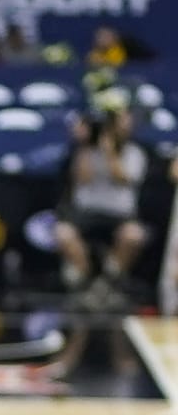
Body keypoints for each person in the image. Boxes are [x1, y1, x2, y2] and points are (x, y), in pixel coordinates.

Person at [57, 106, 148, 303]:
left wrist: (109, 151)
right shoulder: (85, 151)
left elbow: (122, 178)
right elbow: (82, 178)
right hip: (85, 213)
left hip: (119, 215)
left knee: (133, 235)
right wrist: (84, 145)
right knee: (63, 233)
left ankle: (109, 282)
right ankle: (84, 280)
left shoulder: (134, 152)